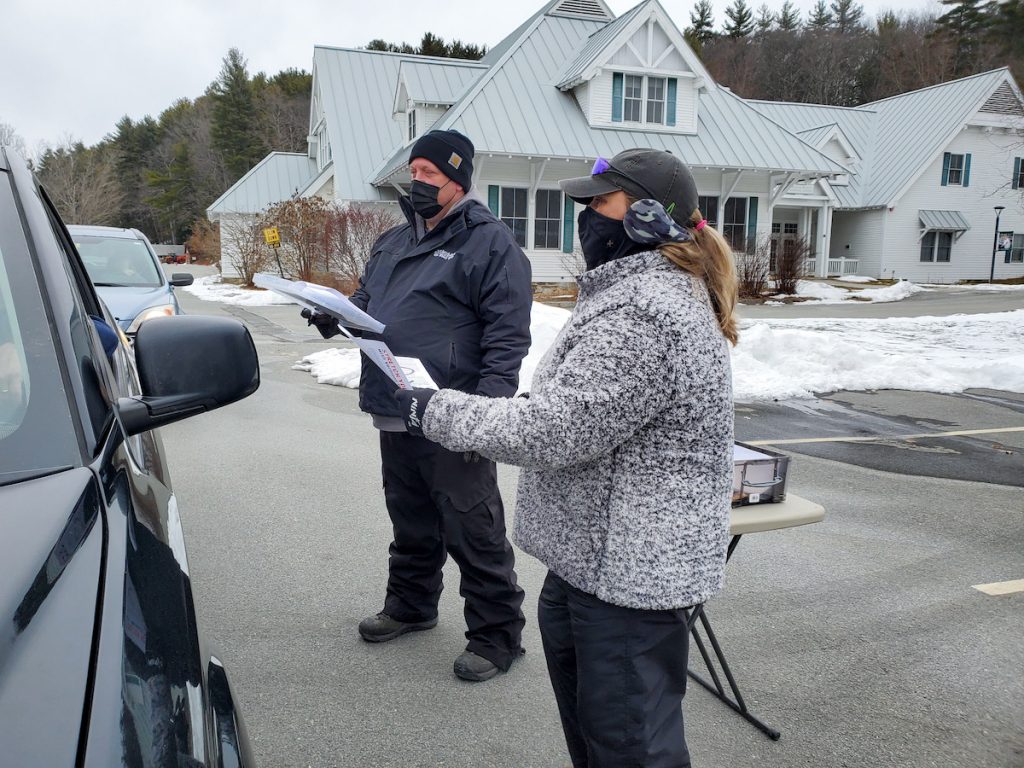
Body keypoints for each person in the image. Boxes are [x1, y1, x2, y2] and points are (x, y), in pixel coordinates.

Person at [393, 148, 738, 766]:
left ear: (647, 218)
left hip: (627, 581)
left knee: (630, 749)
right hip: (592, 564)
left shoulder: (645, 312)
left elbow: (556, 430)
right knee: (599, 741)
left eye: (599, 204)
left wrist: (436, 409)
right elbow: (582, 409)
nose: (585, 218)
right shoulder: (626, 295)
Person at [308, 129, 533, 682]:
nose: (419, 181)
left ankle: (497, 636)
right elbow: (365, 306)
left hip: (456, 410)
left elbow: (508, 335)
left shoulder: (490, 243)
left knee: (472, 526)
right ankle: (411, 606)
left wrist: (488, 412)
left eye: (430, 173)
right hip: (395, 401)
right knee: (409, 516)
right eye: (414, 171)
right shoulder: (391, 241)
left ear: (459, 180)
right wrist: (333, 313)